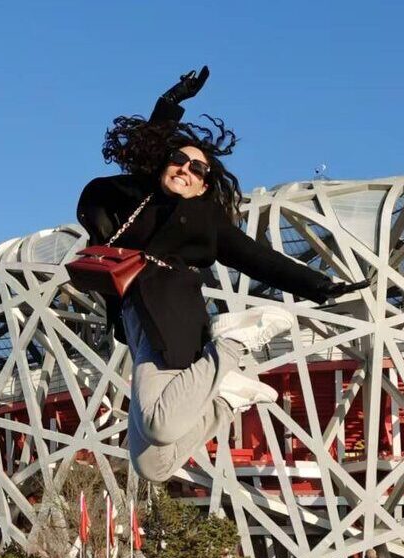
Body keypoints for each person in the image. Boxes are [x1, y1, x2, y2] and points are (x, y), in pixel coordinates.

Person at [76, 67, 368, 484]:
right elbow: (148, 148)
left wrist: (320, 285)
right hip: (137, 323)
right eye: (179, 160)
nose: (186, 169)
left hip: (170, 321)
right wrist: (170, 103)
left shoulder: (204, 221)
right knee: (152, 465)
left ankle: (231, 344)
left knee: (160, 426)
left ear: (204, 186)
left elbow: (258, 258)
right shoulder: (139, 197)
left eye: (198, 170)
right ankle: (227, 398)